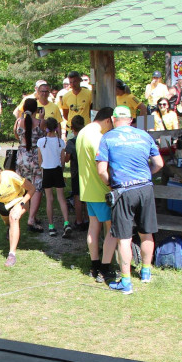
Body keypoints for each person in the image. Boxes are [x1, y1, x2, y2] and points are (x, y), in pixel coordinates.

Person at [96, 105, 163, 295]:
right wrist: (145, 175)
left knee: (124, 237)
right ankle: (146, 273)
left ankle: (126, 282)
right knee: (146, 232)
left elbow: (101, 170)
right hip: (145, 188)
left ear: (113, 119)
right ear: (131, 120)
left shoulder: (108, 138)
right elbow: (159, 163)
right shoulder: (144, 135)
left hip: (123, 190)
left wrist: (111, 185)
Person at [76, 107, 115, 281]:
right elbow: (103, 167)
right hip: (101, 190)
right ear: (108, 120)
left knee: (93, 227)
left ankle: (94, 264)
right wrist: (110, 185)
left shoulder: (83, 132)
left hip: (86, 189)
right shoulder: (99, 137)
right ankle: (106, 266)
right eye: (111, 124)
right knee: (111, 228)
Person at [0, 160, 36, 267]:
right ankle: (10, 230)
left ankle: (12, 254)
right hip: (3, 205)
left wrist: (21, 204)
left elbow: (32, 188)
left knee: (13, 217)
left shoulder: (10, 175)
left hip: (20, 200)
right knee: (9, 223)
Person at [36, 117, 72, 238]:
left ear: (46, 128)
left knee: (49, 199)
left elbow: (40, 159)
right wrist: (61, 170)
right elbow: (63, 160)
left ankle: (51, 226)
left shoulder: (41, 141)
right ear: (57, 128)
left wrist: (42, 170)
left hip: (46, 170)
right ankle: (66, 222)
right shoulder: (60, 142)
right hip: (57, 170)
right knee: (61, 198)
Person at [15, 97, 45, 231]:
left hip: (22, 155)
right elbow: (44, 137)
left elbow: (17, 136)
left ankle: (24, 211)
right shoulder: (40, 123)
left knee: (24, 186)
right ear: (36, 110)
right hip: (35, 156)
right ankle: (31, 218)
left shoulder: (18, 122)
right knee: (37, 186)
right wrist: (41, 117)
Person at [64, 114, 86, 230]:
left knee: (77, 196)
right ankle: (88, 218)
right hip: (86, 171)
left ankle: (79, 220)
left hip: (76, 171)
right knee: (87, 196)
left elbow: (67, 159)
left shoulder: (72, 142)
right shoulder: (87, 139)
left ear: (72, 128)